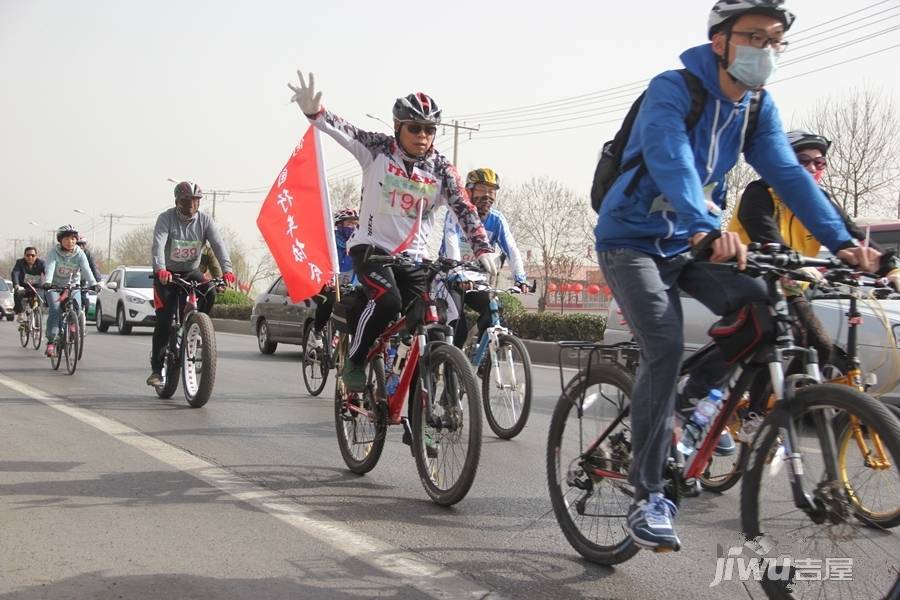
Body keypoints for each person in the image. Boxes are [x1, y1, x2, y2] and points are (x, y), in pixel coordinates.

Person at [594, 1, 879, 552]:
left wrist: (845, 243)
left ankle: (691, 411)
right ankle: (648, 494)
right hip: (631, 240)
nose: (765, 51)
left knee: (764, 308)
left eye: (775, 41)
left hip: (689, 243)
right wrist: (705, 224)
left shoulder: (756, 108)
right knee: (665, 344)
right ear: (720, 41)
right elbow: (670, 157)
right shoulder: (674, 89)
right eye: (754, 37)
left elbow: (790, 177)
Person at [289, 72, 497, 392]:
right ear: (398, 126)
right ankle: (356, 359)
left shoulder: (441, 169)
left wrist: (482, 248)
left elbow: (465, 209)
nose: (422, 136)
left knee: (432, 325)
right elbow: (344, 131)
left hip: (416, 260)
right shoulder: (377, 150)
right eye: (414, 128)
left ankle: (419, 405)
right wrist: (315, 113)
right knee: (387, 302)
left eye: (429, 129)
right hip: (372, 251)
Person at [729, 129, 900, 365]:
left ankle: (794, 399)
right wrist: (792, 263)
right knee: (754, 342)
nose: (813, 168)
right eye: (803, 161)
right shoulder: (760, 193)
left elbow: (855, 238)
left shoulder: (821, 201)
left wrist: (891, 270)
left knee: (816, 348)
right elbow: (766, 236)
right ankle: (699, 388)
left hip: (789, 286)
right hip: (747, 278)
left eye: (819, 163)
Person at [146, 181, 236, 387]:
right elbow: (158, 245)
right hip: (167, 274)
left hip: (191, 271)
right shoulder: (165, 218)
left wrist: (228, 271)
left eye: (195, 200)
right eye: (187, 200)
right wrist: (161, 269)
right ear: (178, 200)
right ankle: (157, 369)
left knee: (210, 292)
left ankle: (195, 326)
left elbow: (219, 245)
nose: (191, 205)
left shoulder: (205, 221)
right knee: (165, 320)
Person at [440, 168, 529, 348]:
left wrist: (520, 278)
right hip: (450, 279)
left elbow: (511, 247)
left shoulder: (497, 220)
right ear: (469, 191)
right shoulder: (456, 213)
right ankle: (452, 369)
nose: (488, 195)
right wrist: (459, 275)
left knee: (494, 312)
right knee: (458, 327)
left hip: (477, 280)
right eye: (482, 189)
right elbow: (452, 242)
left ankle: (482, 358)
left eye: (492, 191)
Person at [41, 226, 99, 357]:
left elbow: (86, 269)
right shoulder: (53, 252)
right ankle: (51, 342)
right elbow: (49, 267)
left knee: (78, 308)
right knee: (55, 309)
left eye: (73, 238)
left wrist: (94, 284)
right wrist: (47, 282)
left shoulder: (79, 253)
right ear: (60, 240)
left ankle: (73, 327)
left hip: (72, 286)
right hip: (54, 286)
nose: (70, 241)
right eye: (66, 238)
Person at [310, 208, 359, 346]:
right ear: (339, 225)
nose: (353, 227)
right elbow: (317, 263)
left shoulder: (358, 244)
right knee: (329, 300)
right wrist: (326, 280)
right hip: (325, 285)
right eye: (350, 223)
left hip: (348, 286)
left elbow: (361, 269)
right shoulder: (328, 242)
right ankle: (317, 331)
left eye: (356, 224)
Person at [11, 246, 46, 323]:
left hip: (37, 287)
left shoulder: (41, 263)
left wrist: (49, 282)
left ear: (36, 256)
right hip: (23, 287)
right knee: (18, 294)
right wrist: (16, 284)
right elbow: (15, 273)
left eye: (33, 255)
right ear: (24, 255)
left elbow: (47, 272)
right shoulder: (19, 263)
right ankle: (20, 313)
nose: (30, 257)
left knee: (41, 299)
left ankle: (37, 320)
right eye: (28, 255)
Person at [76, 237, 102, 310]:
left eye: (83, 245)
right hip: (69, 281)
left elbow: (92, 267)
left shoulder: (87, 254)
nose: (81, 247)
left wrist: (97, 281)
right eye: (78, 244)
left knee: (85, 302)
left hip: (82, 281)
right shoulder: (70, 253)